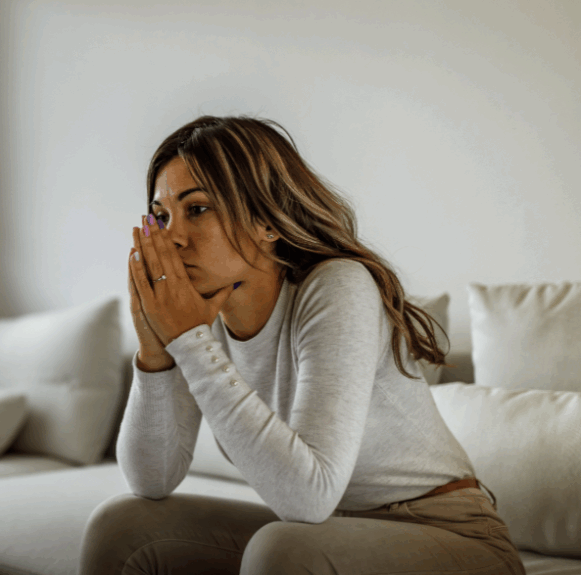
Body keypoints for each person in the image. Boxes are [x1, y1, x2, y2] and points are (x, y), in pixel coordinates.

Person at [78, 115, 525, 575]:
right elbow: (150, 480)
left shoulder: (337, 286)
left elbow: (308, 496)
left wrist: (190, 343)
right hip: (334, 531)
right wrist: (155, 352)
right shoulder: (201, 321)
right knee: (122, 526)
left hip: (452, 535)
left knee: (282, 549)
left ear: (266, 221)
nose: (172, 235)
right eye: (161, 216)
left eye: (197, 209)